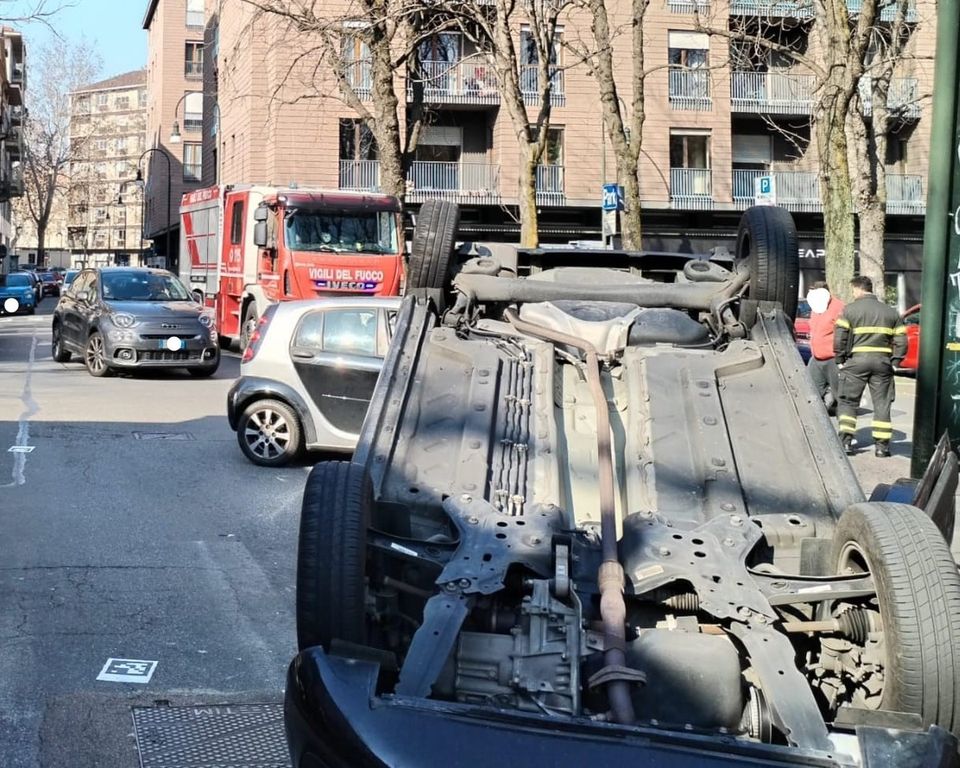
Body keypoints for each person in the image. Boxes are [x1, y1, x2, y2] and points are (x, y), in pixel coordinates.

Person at [833, 275, 907, 457]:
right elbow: (902, 341)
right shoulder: (891, 312)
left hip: (856, 362)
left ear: (858, 289)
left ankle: (846, 443)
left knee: (848, 402)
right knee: (882, 404)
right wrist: (895, 362)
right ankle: (882, 448)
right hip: (882, 363)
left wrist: (840, 360)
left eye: (853, 290)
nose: (852, 293)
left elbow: (840, 337)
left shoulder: (849, 310)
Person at [805, 281, 844, 415]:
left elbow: (844, 333)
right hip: (816, 356)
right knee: (811, 388)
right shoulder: (816, 307)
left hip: (833, 357)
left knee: (840, 392)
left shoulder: (838, 307)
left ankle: (845, 424)